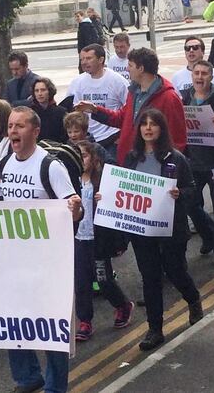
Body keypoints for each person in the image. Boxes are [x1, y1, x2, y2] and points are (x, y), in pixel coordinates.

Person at [0, 107, 83, 393]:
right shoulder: (0, 166)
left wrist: (75, 208)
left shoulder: (50, 167)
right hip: (12, 261)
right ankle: (27, 377)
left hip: (47, 263)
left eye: (20, 126)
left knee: (50, 325)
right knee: (14, 320)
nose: (13, 131)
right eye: (11, 126)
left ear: (35, 132)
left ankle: (55, 386)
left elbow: (75, 208)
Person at [118, 108, 202, 350]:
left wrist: (180, 193)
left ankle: (193, 299)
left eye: (153, 124)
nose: (148, 128)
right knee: (150, 278)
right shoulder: (133, 158)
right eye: (143, 124)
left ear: (161, 128)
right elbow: (124, 188)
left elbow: (191, 188)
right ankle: (155, 329)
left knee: (175, 270)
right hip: (142, 229)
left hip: (170, 228)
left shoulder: (176, 158)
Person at [74, 47, 187, 165]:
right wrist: (95, 110)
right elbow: (121, 118)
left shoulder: (169, 97)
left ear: (141, 69)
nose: (127, 69)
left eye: (130, 65)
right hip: (129, 161)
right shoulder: (133, 92)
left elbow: (177, 138)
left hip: (154, 166)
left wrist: (168, 167)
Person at [73, 140, 135, 341]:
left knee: (103, 278)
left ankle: (122, 305)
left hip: (98, 239)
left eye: (84, 156)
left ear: (94, 158)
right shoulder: (71, 180)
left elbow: (119, 210)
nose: (81, 160)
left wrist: (105, 199)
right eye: (78, 156)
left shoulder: (102, 181)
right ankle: (85, 321)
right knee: (81, 282)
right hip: (79, 238)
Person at [181, 60, 214, 267]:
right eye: (197, 73)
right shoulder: (184, 98)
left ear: (211, 77)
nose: (200, 77)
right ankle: (209, 234)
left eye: (204, 73)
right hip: (192, 162)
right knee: (191, 205)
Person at [67, 44, 129, 159]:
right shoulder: (77, 82)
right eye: (82, 59)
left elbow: (129, 110)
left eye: (89, 58)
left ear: (101, 60)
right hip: (88, 139)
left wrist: (122, 136)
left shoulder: (117, 81)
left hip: (111, 138)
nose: (84, 62)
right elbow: (73, 113)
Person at [30, 77, 68, 143]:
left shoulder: (61, 112)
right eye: (36, 91)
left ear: (49, 91)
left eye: (43, 90)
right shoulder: (30, 113)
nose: (39, 93)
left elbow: (65, 135)